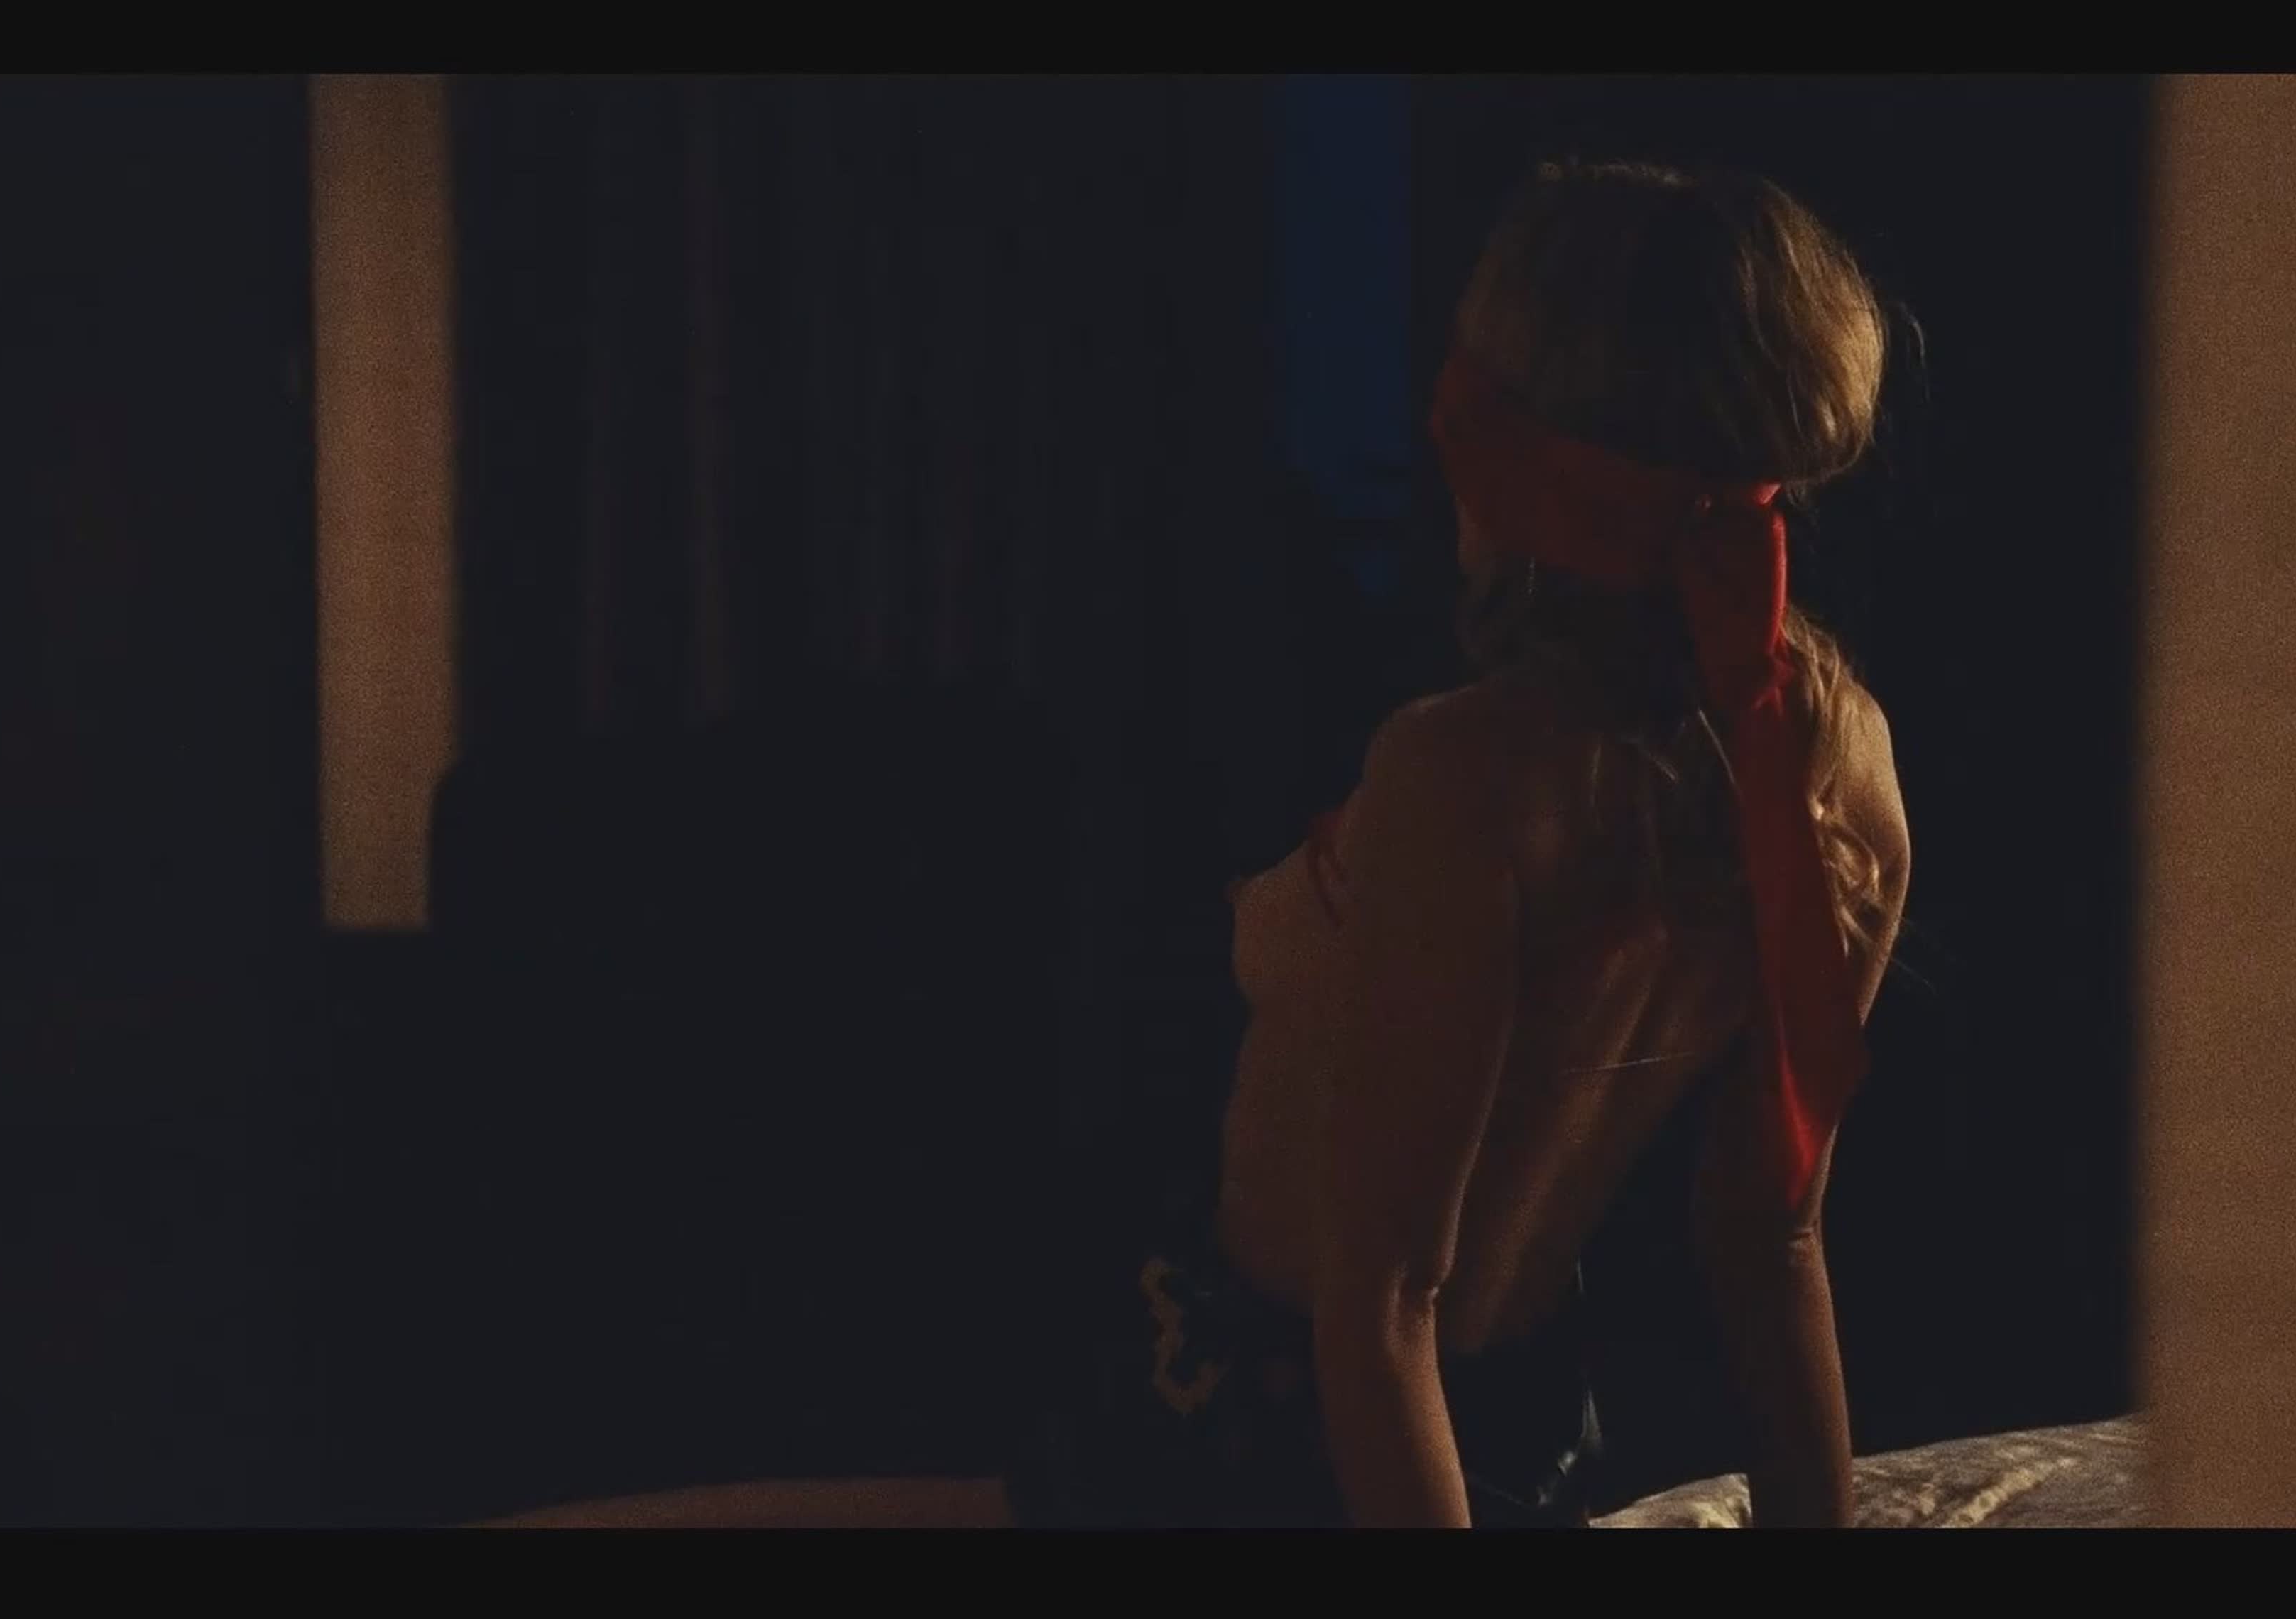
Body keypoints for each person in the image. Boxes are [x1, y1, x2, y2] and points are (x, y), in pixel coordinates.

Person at [491, 158, 1912, 1531]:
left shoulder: (1466, 778)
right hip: (1503, 1443)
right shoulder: (1829, 765)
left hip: (1276, 1453)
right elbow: (1772, 1240)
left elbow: (1383, 1313)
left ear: (1527, 453)